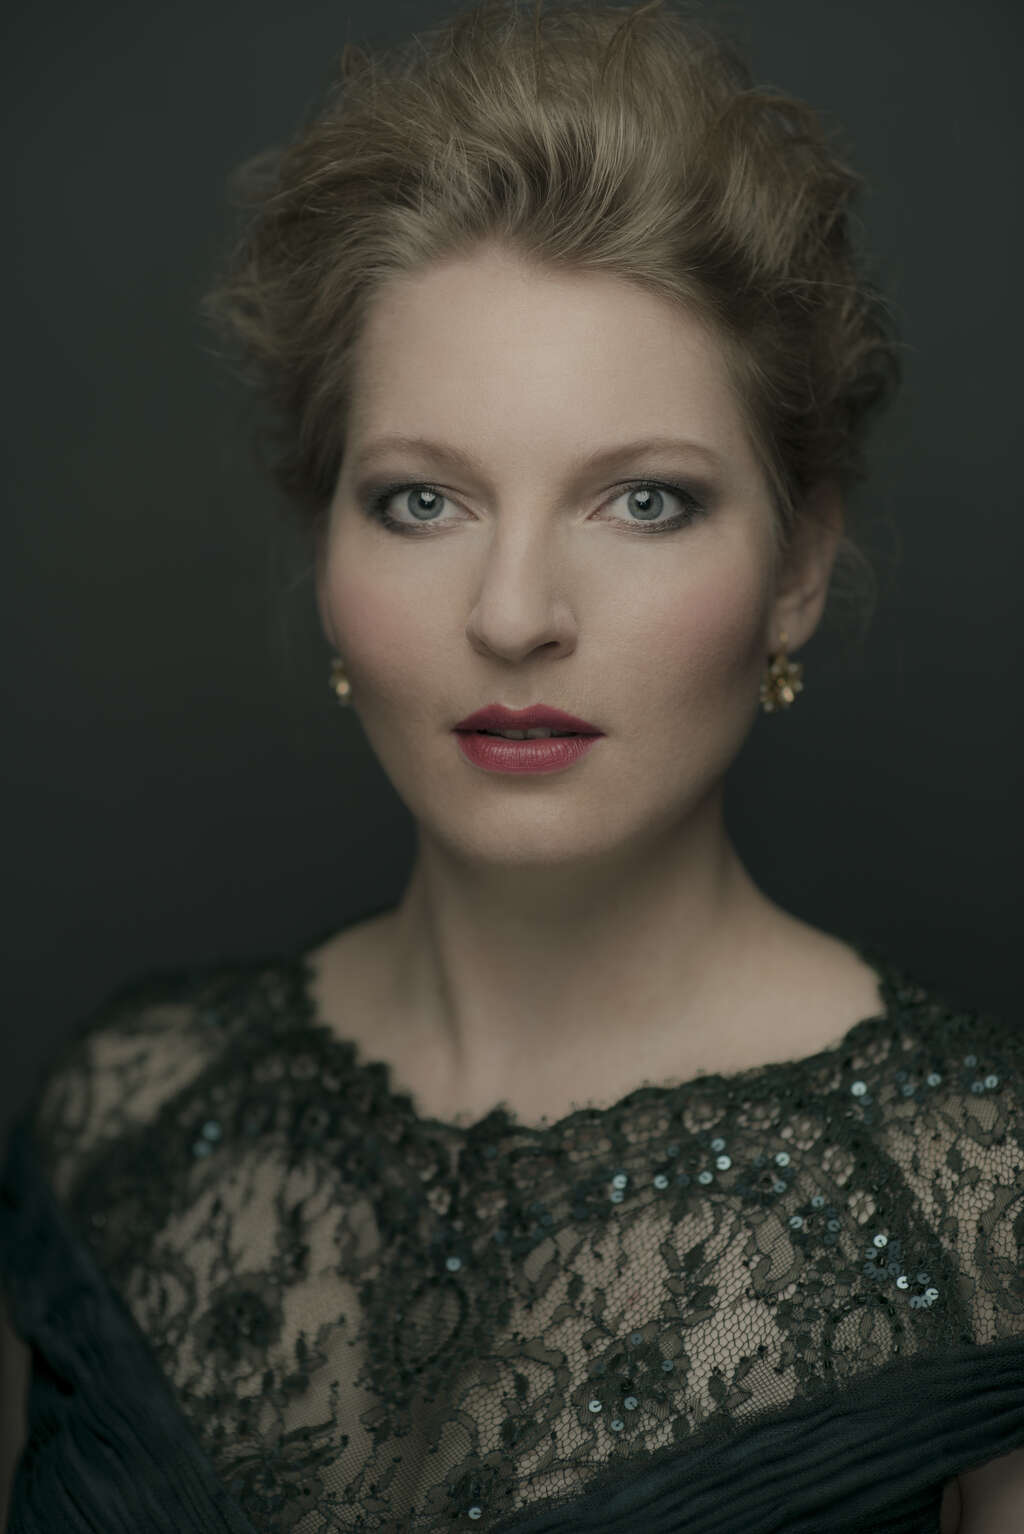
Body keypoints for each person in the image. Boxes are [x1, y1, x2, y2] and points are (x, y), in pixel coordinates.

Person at [2, 1, 1021, 1529]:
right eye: (423, 502)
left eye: (645, 501)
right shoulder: (123, 1120)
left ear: (799, 566)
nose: (514, 613)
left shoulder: (986, 1198)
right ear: (327, 549)